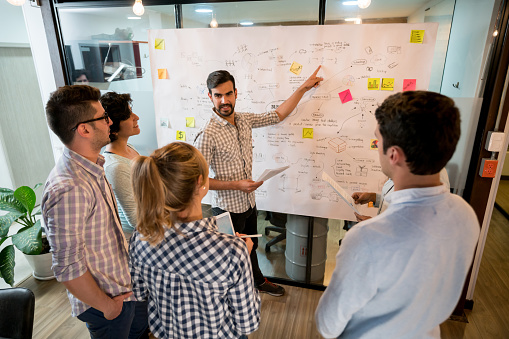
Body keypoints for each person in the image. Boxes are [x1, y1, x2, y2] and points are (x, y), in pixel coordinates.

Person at [315, 91, 480, 338]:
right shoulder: (465, 214)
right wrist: (377, 199)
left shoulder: (367, 239)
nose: (376, 146)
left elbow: (327, 325)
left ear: (393, 155)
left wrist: (378, 225)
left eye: (377, 140)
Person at [194, 67, 323, 296]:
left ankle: (257, 281)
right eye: (217, 95)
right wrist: (237, 185)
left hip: (249, 203)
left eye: (228, 94)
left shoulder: (243, 120)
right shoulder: (208, 134)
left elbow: (278, 115)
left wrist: (303, 88)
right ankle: (235, 298)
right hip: (226, 210)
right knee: (230, 259)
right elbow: (199, 181)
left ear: (235, 93)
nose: (224, 101)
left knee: (251, 249)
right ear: (210, 96)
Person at [42, 85, 148, 339]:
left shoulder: (93, 165)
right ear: (84, 129)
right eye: (103, 117)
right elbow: (68, 267)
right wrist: (108, 306)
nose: (109, 121)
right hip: (107, 303)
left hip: (124, 287)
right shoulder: (69, 187)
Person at [129, 142, 261, 339]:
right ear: (200, 183)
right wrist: (241, 254)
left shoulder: (139, 239)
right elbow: (247, 323)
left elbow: (139, 294)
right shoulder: (233, 251)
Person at [100, 91, 141, 238]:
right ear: (114, 128)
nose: (136, 117)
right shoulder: (115, 166)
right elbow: (136, 220)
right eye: (128, 116)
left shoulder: (130, 148)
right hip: (137, 240)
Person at [351, 168, 450, 222]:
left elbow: (415, 226)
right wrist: (374, 198)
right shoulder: (404, 167)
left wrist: (374, 226)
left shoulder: (431, 175)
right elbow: (398, 201)